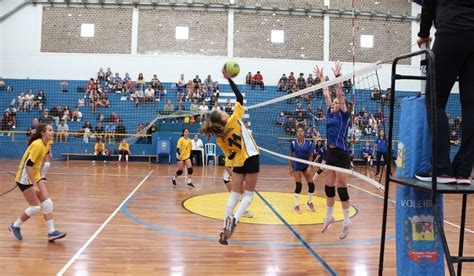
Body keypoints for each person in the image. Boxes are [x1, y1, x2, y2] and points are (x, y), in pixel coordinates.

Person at [416, 0, 474, 184]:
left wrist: (423, 34)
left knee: (435, 101)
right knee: (472, 107)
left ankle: (441, 169)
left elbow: (428, 4)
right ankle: (464, 171)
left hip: (451, 31)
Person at [200, 69, 259, 245]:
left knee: (234, 194)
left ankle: (225, 224)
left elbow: (230, 154)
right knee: (248, 195)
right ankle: (234, 219)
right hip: (252, 156)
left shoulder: (219, 137)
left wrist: (231, 167)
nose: (223, 110)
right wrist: (230, 80)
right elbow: (240, 97)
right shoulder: (234, 119)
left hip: (239, 161)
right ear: (223, 117)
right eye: (221, 111)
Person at [9, 124, 66, 242]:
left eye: (52, 130)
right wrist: (34, 185)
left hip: (35, 175)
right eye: (50, 130)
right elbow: (28, 166)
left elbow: (44, 156)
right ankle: (15, 226)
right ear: (42, 133)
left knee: (48, 203)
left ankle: (51, 232)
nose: (53, 132)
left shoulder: (48, 143)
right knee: (35, 207)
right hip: (24, 177)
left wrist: (47, 157)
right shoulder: (38, 145)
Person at [315, 62, 352, 239]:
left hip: (342, 153)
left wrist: (337, 78)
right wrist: (322, 79)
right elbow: (326, 93)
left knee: (341, 188)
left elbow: (339, 93)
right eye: (333, 103)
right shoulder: (330, 113)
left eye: (336, 103)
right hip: (330, 153)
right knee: (329, 186)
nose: (333, 103)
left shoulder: (344, 116)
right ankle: (328, 217)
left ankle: (346, 221)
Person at [288, 127, 316, 214]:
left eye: (301, 131)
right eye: (298, 131)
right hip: (297, 165)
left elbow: (311, 154)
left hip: (305, 165)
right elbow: (291, 155)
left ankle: (309, 202)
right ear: (296, 133)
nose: (300, 133)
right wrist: (290, 167)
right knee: (298, 186)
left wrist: (310, 165)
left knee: (311, 185)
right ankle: (296, 206)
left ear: (304, 133)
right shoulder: (293, 143)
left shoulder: (309, 143)